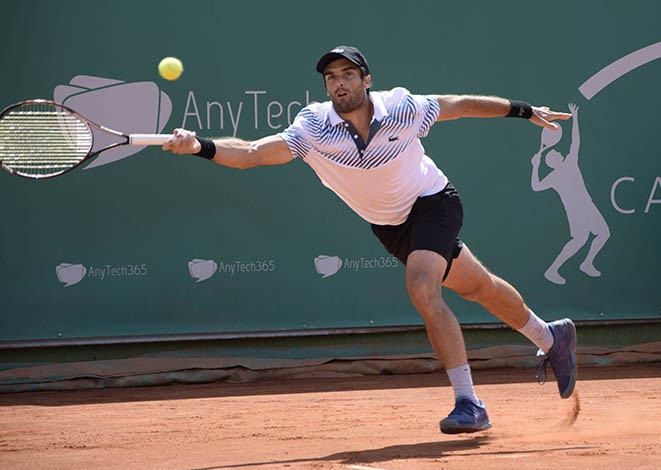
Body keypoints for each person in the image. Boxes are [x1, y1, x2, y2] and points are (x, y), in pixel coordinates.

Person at [163, 46, 576, 435]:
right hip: (390, 225)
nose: (338, 83)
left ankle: (469, 403)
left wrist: (524, 111)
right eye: (330, 77)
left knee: (421, 287)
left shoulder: (402, 107)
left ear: (366, 80)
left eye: (347, 74)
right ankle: (550, 337)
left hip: (433, 202)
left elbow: (462, 105)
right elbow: (252, 153)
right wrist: (200, 145)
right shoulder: (313, 127)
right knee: (477, 287)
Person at [531, 103, 610, 285]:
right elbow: (536, 186)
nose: (559, 151)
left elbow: (575, 142)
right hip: (576, 211)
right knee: (580, 240)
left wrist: (536, 167)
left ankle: (587, 263)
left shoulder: (564, 167)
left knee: (603, 233)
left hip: (586, 205)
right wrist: (535, 167)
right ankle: (553, 270)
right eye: (557, 153)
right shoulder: (564, 168)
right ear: (554, 161)